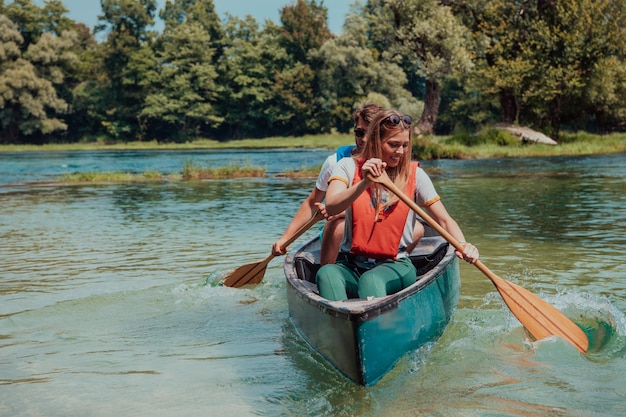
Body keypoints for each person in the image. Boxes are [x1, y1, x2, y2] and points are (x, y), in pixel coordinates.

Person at [316, 109, 479, 301]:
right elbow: (332, 206)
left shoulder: (416, 176)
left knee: (371, 281)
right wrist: (364, 183)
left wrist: (463, 244)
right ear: (376, 141)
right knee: (326, 273)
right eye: (393, 145)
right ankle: (341, 324)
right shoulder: (346, 166)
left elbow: (443, 220)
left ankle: (376, 326)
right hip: (351, 265)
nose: (400, 152)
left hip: (396, 265)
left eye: (405, 145)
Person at [271, 103, 384, 265]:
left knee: (417, 230)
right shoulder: (334, 162)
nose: (364, 139)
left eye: (371, 133)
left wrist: (341, 211)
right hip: (342, 232)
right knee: (337, 224)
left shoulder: (390, 161)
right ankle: (326, 273)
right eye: (359, 132)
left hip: (376, 227)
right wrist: (285, 238)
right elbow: (312, 203)